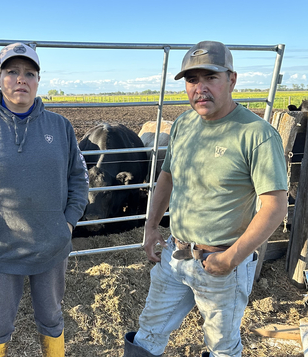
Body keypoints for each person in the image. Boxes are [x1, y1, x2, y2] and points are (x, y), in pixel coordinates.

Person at [123, 41, 288, 357]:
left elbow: (275, 205)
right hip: (177, 254)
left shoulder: (257, 134)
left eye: (210, 77)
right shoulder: (184, 124)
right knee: (149, 332)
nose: (200, 88)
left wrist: (232, 259)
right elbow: (167, 178)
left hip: (222, 262)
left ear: (232, 79)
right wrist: (151, 226)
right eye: (191, 80)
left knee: (222, 346)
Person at [0, 43, 89, 357]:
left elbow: (79, 178)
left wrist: (67, 223)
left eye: (29, 73)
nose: (20, 79)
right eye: (12, 72)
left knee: (52, 318)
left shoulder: (60, 127)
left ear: (38, 80)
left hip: (51, 247)